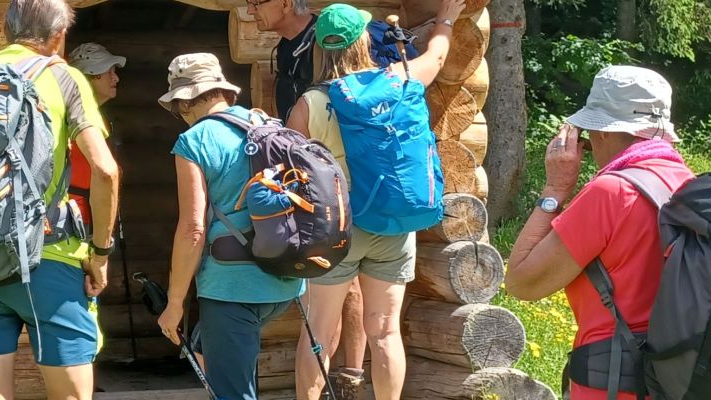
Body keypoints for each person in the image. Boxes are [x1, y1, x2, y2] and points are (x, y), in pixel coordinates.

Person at [280, 3, 463, 400]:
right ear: (364, 39)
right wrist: (447, 17)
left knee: (319, 335)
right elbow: (437, 54)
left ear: (319, 48)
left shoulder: (307, 105)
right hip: (390, 222)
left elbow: (291, 173)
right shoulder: (398, 78)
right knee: (384, 331)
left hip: (336, 229)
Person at [0, 1, 121, 399]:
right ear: (60, 35)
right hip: (47, 258)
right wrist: (100, 253)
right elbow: (105, 170)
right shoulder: (63, 77)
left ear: (6, 31)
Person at [500, 66, 693, 400]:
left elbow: (521, 282)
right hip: (681, 378)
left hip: (615, 381)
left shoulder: (610, 193)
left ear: (604, 133)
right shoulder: (689, 184)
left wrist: (555, 188)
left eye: (588, 136)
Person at [154, 52, 306, 400]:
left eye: (178, 108)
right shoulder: (265, 124)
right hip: (283, 279)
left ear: (184, 102)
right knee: (209, 348)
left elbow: (193, 228)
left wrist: (174, 303)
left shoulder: (194, 141)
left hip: (231, 285)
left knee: (233, 393)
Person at [65, 43, 128, 227]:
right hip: (70, 224)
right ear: (90, 76)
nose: (116, 78)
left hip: (85, 223)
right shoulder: (66, 120)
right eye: (110, 71)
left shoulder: (100, 121)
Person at [249, 0, 317, 120]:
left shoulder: (322, 46)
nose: (250, 11)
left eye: (256, 4)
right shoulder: (286, 44)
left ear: (286, 4)